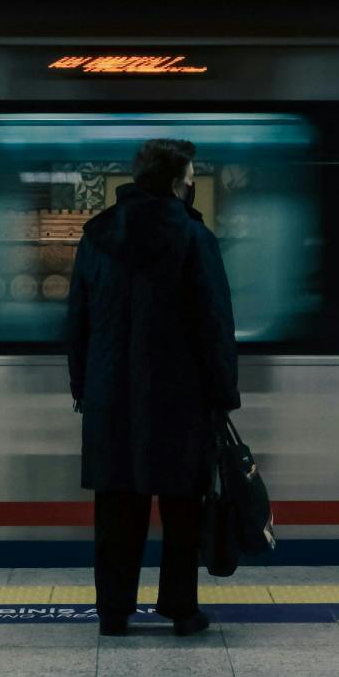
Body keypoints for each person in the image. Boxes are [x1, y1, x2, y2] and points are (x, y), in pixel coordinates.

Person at [65, 138, 240, 637]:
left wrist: (85, 388)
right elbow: (214, 324)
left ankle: (113, 611)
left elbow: (77, 321)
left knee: (116, 510)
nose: (191, 183)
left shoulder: (95, 238)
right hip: (181, 401)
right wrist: (222, 395)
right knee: (183, 509)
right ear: (173, 181)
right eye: (189, 176)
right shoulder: (194, 238)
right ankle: (180, 608)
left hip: (110, 398)